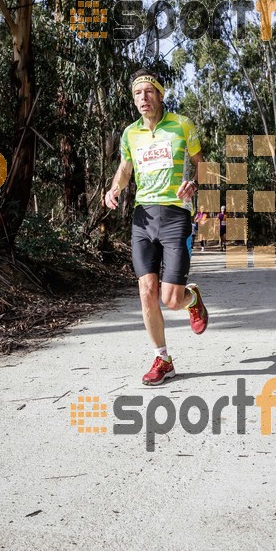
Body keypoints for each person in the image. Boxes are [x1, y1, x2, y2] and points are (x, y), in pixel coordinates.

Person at [105, 68, 209, 385]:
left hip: (176, 213)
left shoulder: (181, 125)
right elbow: (124, 169)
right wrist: (114, 189)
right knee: (146, 289)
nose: (143, 98)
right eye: (138, 93)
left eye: (149, 92)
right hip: (143, 217)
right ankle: (162, 358)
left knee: (171, 300)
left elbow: (202, 163)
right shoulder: (130, 134)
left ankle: (192, 299)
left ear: (160, 95)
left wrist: (194, 184)